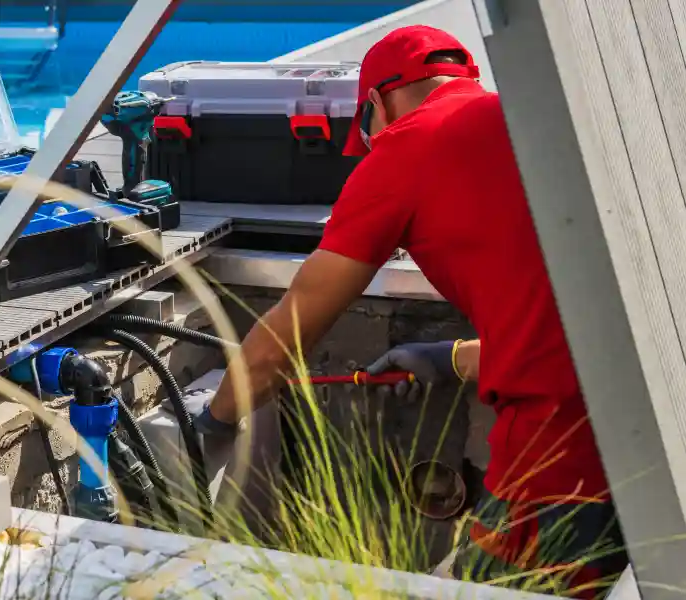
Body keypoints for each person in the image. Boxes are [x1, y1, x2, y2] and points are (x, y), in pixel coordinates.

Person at [187, 25, 629, 597]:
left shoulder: (405, 147)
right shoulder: (529, 119)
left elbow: (287, 334)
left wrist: (216, 418)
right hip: (645, 412)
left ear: (375, 103)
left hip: (562, 449)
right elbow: (559, 312)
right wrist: (446, 358)